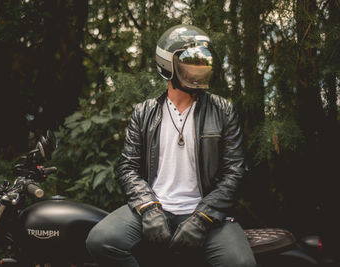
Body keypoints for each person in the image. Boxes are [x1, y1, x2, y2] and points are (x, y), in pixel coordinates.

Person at [86, 24, 256, 267]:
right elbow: (127, 167)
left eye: (204, 63)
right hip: (155, 207)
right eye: (191, 63)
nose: (200, 70)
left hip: (207, 214)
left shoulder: (223, 110)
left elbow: (235, 171)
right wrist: (148, 208)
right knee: (100, 240)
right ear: (168, 65)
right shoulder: (144, 112)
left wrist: (202, 217)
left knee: (242, 264)